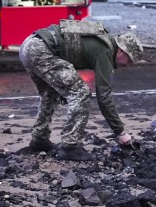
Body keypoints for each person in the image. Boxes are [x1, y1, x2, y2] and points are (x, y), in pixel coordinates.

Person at [18, 19, 144, 161]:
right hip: (41, 50)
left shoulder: (103, 40)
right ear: (121, 50)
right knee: (81, 93)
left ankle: (39, 140)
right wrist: (120, 132)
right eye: (129, 60)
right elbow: (104, 98)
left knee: (50, 94)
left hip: (29, 45)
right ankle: (69, 147)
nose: (127, 65)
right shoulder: (105, 52)